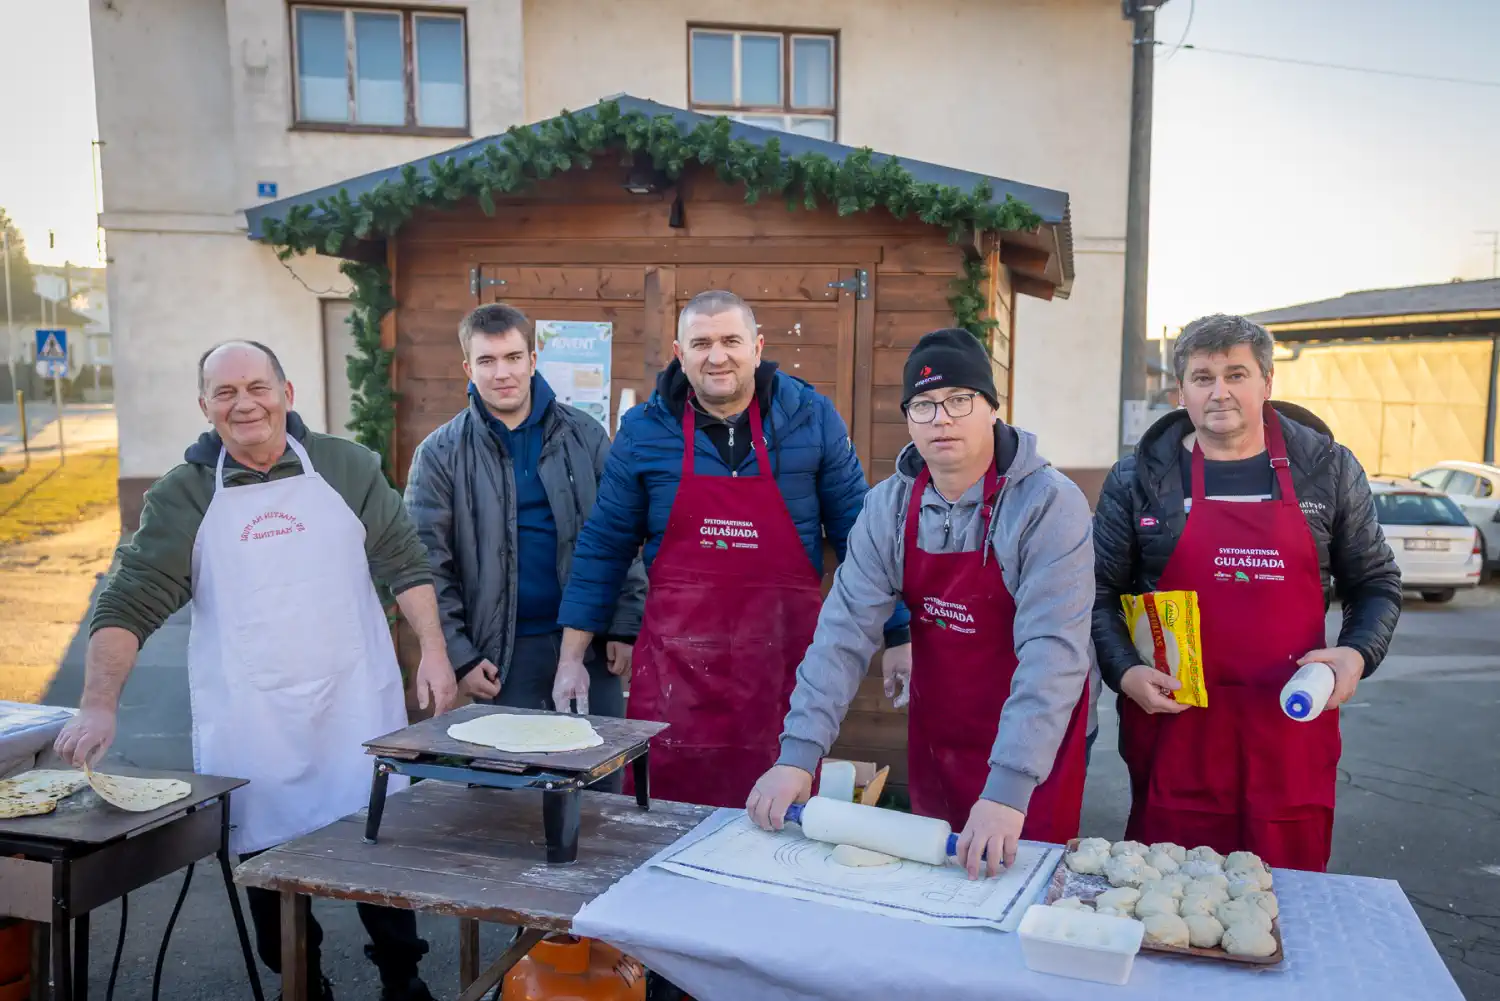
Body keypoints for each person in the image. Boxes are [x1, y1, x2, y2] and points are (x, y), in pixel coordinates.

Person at [53, 341, 458, 1001]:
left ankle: (402, 979)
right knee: (267, 866)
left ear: (286, 393)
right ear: (205, 406)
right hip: (253, 720)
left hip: (354, 704)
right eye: (225, 392)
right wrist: (100, 702)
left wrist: (434, 650)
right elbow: (128, 601)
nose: (244, 404)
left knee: (379, 843)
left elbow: (404, 561)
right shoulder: (183, 494)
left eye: (257, 387)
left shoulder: (345, 466)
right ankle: (302, 982)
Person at [746, 328, 1095, 879]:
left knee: (1020, 888)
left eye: (959, 400)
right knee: (933, 884)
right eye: (924, 405)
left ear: (992, 408)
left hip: (1035, 746)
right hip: (943, 732)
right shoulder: (888, 507)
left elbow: (1053, 654)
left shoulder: (1048, 505)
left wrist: (1007, 790)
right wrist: (798, 755)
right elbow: (841, 635)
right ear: (908, 419)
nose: (942, 419)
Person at [554, 290, 911, 809]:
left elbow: (862, 537)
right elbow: (603, 546)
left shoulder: (811, 419)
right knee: (667, 819)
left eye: (730, 341)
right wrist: (571, 658)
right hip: (677, 679)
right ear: (680, 354)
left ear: (757, 347)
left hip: (786, 676)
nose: (717, 356)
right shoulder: (645, 432)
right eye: (701, 344)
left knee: (778, 820)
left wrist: (899, 632)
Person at [1092, 314, 1402, 872]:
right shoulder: (1138, 479)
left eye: (1236, 374)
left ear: (1267, 382)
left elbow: (1376, 581)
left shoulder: (1328, 470)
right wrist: (1125, 672)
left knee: (1286, 894)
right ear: (1181, 389)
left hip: (1289, 729)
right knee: (1168, 891)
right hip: (1174, 728)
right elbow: (1098, 591)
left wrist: (1357, 655)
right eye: (1202, 377)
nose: (1220, 392)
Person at [403, 304, 645, 738]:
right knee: (513, 776)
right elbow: (428, 563)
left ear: (532, 360)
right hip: (500, 659)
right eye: (487, 361)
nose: (502, 373)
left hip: (589, 645)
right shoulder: (439, 455)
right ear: (468, 368)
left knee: (598, 767)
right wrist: (461, 655)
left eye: (513, 357)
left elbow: (621, 534)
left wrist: (625, 624)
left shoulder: (585, 436)